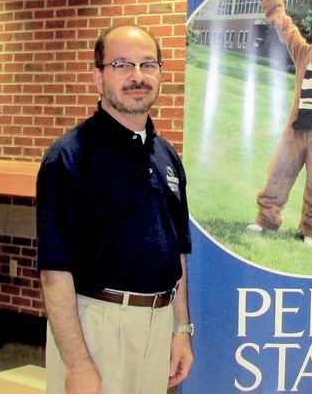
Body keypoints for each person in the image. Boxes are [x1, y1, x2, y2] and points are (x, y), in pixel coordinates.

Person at [36, 24, 194, 394]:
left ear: (160, 74)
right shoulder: (69, 157)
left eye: (148, 65)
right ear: (98, 76)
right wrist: (77, 364)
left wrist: (180, 331)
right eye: (122, 64)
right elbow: (54, 272)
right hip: (96, 327)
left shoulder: (166, 155)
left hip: (159, 325)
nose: (137, 77)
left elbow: (179, 255)